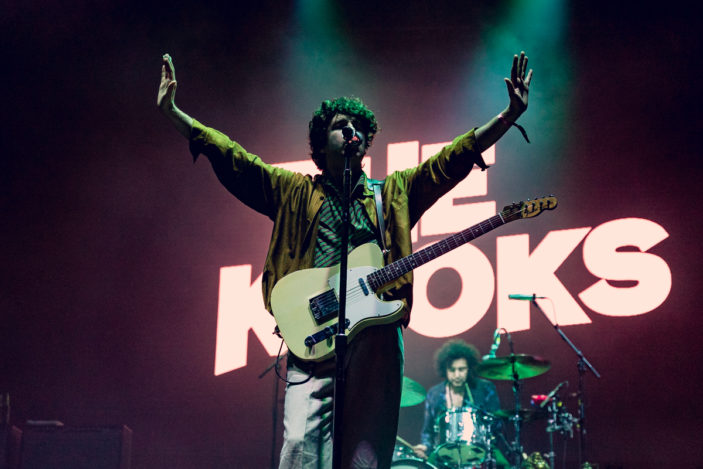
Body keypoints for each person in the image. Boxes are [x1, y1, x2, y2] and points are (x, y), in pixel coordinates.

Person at [157, 51, 531, 469]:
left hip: (376, 339)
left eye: (358, 128)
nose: (351, 131)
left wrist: (507, 116)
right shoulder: (293, 191)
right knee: (300, 448)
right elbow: (234, 159)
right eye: (340, 126)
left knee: (365, 457)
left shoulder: (393, 193)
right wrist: (176, 114)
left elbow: (450, 162)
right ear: (322, 143)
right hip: (313, 333)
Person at [413, 339, 501, 465]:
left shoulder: (485, 389)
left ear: (469, 369)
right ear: (445, 370)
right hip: (444, 458)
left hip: (478, 456)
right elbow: (428, 431)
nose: (457, 375)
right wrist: (425, 447)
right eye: (452, 370)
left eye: (461, 369)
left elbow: (497, 424)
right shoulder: (434, 394)